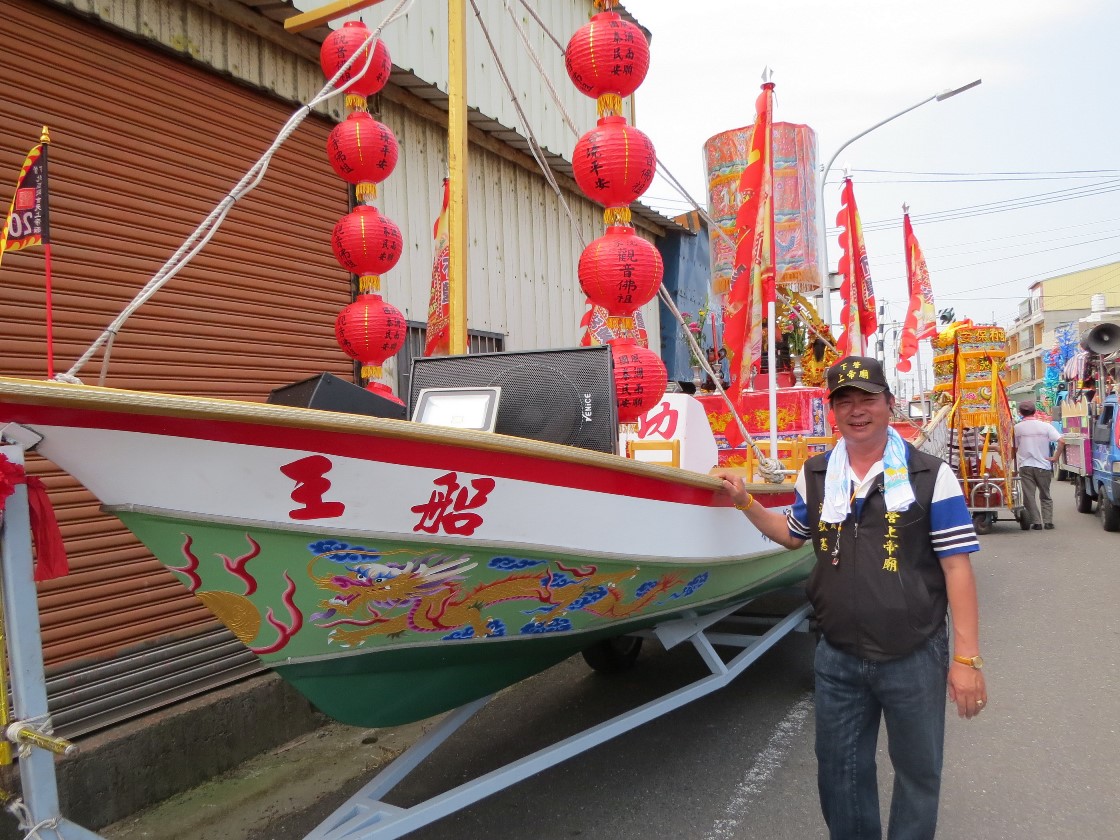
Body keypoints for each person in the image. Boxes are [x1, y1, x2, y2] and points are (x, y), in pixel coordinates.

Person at [714, 355, 985, 840]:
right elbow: (794, 534)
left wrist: (966, 658)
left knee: (918, 773)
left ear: (889, 403)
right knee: (840, 774)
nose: (857, 411)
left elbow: (956, 568)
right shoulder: (816, 475)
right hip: (837, 654)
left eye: (868, 399)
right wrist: (745, 502)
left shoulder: (931, 476)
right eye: (845, 401)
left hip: (915, 652)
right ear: (832, 411)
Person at [1013, 399, 1064, 530]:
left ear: (1020, 413)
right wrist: (1055, 457)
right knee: (1045, 495)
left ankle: (1036, 522)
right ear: (1035, 411)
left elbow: (1013, 447)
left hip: (1025, 466)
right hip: (1044, 465)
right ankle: (1048, 521)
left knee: (1029, 496)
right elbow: (1062, 441)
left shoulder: (1017, 428)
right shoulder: (1045, 426)